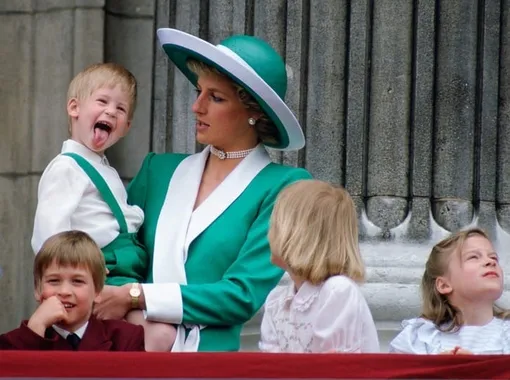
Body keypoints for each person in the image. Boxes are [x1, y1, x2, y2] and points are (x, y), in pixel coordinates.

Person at [92, 28, 312, 352]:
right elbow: (118, 254)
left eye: (216, 97)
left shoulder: (284, 186)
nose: (197, 106)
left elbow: (241, 295)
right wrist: (126, 304)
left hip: (211, 363)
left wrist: (138, 297)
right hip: (130, 351)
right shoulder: (158, 170)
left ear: (254, 112)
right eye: (199, 91)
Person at [30, 63, 175, 351]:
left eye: (121, 110)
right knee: (159, 337)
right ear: (74, 108)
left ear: (127, 127)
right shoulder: (66, 167)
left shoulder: (104, 168)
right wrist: (66, 285)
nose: (111, 111)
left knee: (157, 334)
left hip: (124, 273)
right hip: (102, 273)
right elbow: (48, 234)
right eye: (102, 101)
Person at [258, 180, 379, 353]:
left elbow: (331, 370)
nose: (268, 233)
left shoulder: (337, 291)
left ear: (297, 236)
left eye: (275, 225)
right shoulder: (277, 301)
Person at [0, 230, 144, 351]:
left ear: (98, 291)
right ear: (38, 289)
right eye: (54, 281)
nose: (64, 291)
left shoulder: (125, 339)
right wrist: (35, 328)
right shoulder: (10, 343)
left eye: (77, 281)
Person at [389, 228, 510, 354]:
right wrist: (439, 368)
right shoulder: (420, 337)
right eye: (474, 257)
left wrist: (475, 369)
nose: (490, 262)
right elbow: (398, 371)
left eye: (494, 257)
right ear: (444, 285)